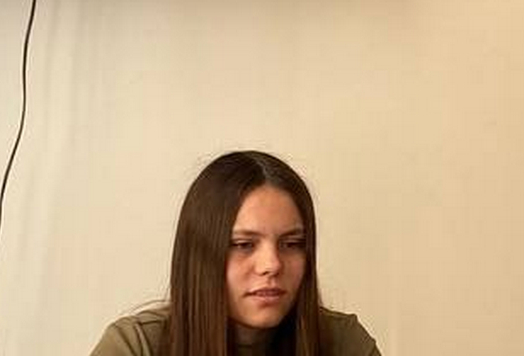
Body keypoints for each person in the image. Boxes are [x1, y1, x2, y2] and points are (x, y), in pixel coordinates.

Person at [90, 150, 381, 356]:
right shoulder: (136, 346)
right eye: (244, 244)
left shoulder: (344, 343)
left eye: (292, 244)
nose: (271, 264)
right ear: (200, 256)